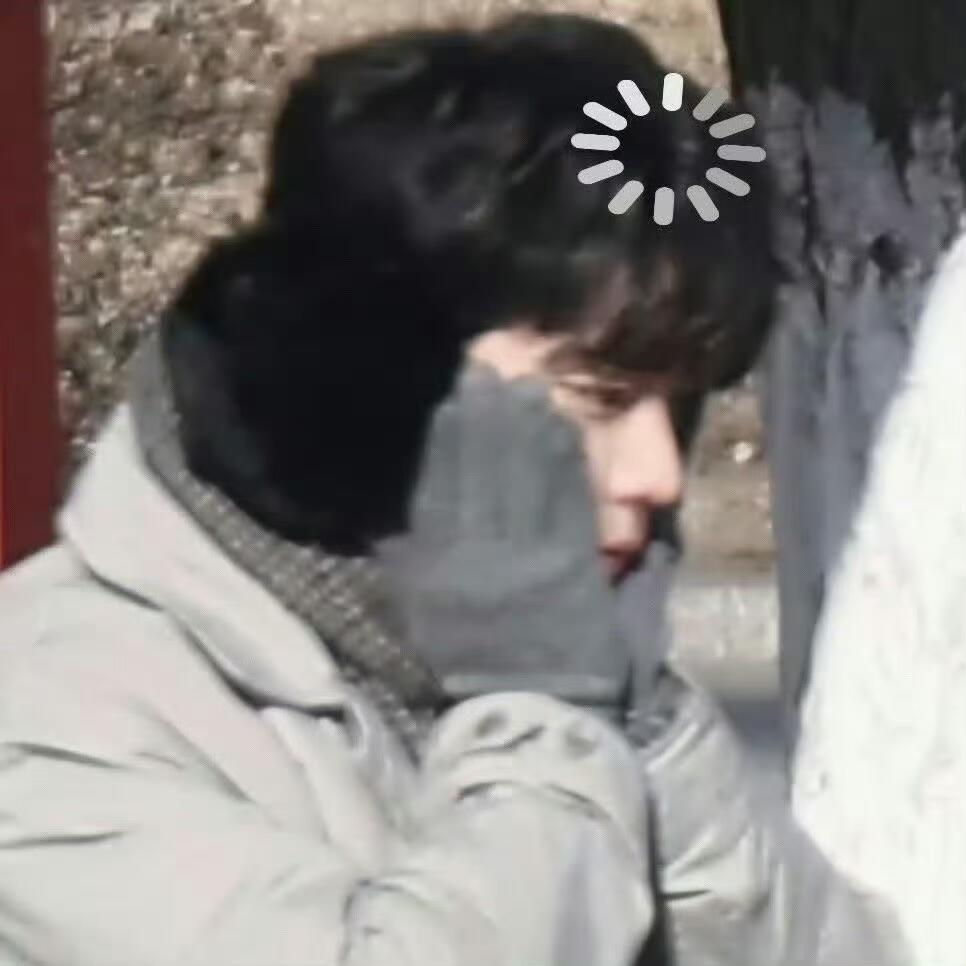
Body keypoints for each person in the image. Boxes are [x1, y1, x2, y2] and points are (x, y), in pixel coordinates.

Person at [0, 14, 907, 966]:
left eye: (677, 408)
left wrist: (640, 725)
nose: (660, 475)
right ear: (388, 384)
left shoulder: (553, 676)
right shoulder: (52, 723)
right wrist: (545, 705)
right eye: (598, 399)